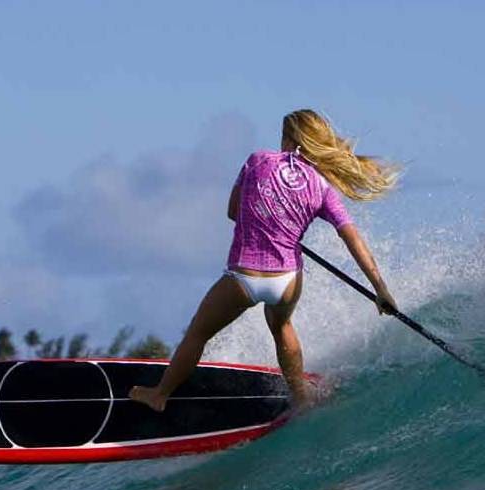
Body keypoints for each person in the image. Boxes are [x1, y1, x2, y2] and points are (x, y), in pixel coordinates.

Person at [130, 109, 399, 412]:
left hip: (243, 277)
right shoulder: (322, 187)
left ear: (289, 140)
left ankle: (160, 395)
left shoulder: (257, 160)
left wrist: (265, 219)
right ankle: (301, 397)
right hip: (286, 280)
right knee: (281, 325)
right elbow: (352, 238)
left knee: (198, 333)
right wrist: (380, 289)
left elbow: (232, 212)